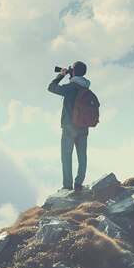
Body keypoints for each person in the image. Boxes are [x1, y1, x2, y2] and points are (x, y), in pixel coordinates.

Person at [48, 61, 91, 191]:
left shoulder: (70, 87)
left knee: (67, 157)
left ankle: (67, 186)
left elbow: (51, 87)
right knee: (82, 156)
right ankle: (79, 183)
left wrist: (61, 75)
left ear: (73, 72)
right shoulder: (86, 87)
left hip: (69, 127)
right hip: (83, 127)